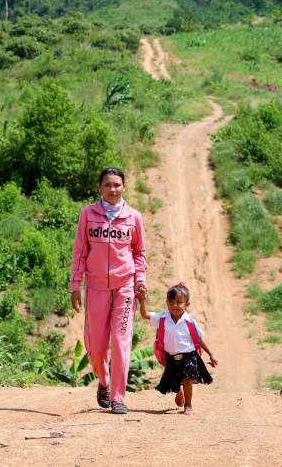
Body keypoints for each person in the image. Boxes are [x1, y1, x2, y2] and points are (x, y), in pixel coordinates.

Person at [70, 166, 147, 415]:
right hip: (95, 287)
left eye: (116, 184)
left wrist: (139, 281)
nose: (112, 189)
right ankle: (103, 381)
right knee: (97, 347)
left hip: (124, 287)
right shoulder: (87, 214)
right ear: (99, 188)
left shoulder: (134, 217)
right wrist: (75, 285)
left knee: (121, 341)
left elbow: (139, 253)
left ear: (124, 187)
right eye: (107, 185)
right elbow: (80, 251)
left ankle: (118, 397)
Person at [137, 282, 218, 415]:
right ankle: (179, 394)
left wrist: (211, 354)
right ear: (167, 302)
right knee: (175, 384)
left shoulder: (190, 321)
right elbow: (145, 314)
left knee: (187, 379)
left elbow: (200, 339)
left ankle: (188, 405)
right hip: (171, 358)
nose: (174, 305)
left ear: (187, 304)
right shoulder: (162, 318)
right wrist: (143, 299)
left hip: (188, 355)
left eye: (179, 302)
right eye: (171, 301)